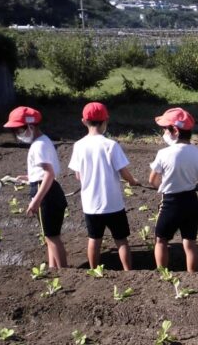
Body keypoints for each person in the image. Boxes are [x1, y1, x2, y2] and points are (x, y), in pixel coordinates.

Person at [68, 102, 139, 270]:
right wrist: (132, 181)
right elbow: (123, 171)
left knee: (94, 239)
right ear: (106, 120)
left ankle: (94, 270)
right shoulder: (111, 145)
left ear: (84, 121)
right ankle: (128, 271)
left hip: (91, 204)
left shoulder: (78, 145)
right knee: (121, 240)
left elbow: (78, 175)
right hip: (113, 203)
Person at [3, 106, 68, 268]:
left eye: (18, 129)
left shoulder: (38, 146)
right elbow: (44, 172)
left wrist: (36, 201)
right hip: (50, 191)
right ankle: (54, 269)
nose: (17, 134)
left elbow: (48, 174)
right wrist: (28, 177)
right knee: (50, 236)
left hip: (46, 194)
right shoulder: (43, 141)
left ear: (30, 126)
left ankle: (64, 271)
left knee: (52, 238)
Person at [148, 108, 198, 272]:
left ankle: (163, 274)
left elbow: (152, 180)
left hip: (171, 203)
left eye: (165, 129)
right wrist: (190, 188)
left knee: (161, 240)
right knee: (190, 242)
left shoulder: (163, 153)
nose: (163, 132)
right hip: (191, 202)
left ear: (174, 130)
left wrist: (162, 188)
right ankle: (193, 275)